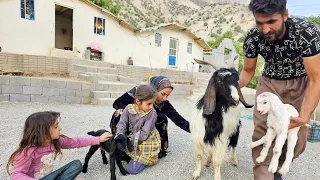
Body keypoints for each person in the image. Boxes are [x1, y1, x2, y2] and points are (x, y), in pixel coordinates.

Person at [239, 0, 320, 179]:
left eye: (271, 22)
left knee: (297, 139)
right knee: (264, 131)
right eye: (260, 23)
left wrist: (304, 116)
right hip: (269, 85)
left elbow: (316, 78)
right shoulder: (253, 37)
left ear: (285, 15)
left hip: (300, 84)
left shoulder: (306, 33)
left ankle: (277, 165)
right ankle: (265, 173)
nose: (265, 30)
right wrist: (232, 88)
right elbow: (248, 70)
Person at [6, 111, 112, 180]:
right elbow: (16, 175)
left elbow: (76, 141)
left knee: (76, 165)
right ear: (43, 131)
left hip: (48, 177)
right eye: (56, 127)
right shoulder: (28, 151)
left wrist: (98, 139)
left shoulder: (56, 142)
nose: (60, 128)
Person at [110, 76, 190, 158]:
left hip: (146, 132)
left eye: (167, 95)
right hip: (131, 126)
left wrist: (196, 129)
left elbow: (178, 119)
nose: (164, 98)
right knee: (118, 113)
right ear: (155, 89)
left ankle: (157, 149)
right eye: (163, 94)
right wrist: (138, 110)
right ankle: (120, 144)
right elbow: (117, 104)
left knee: (161, 117)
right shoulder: (139, 93)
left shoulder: (163, 103)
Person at [116, 84, 161, 174]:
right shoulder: (128, 108)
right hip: (134, 139)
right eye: (149, 103)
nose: (151, 106)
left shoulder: (152, 113)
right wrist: (120, 135)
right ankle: (134, 156)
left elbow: (144, 134)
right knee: (119, 151)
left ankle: (150, 159)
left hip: (148, 142)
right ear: (138, 101)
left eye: (153, 103)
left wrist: (128, 139)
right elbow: (122, 123)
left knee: (131, 170)